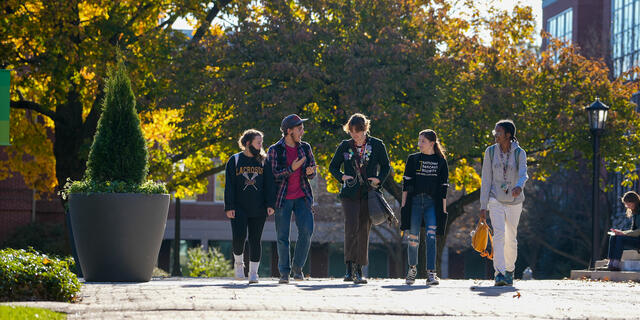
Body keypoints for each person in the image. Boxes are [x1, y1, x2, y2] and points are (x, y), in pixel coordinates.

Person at [329, 113, 391, 284]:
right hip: (349, 194)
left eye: (358, 131)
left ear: (365, 129)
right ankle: (349, 268)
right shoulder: (344, 145)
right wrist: (341, 177)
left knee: (363, 229)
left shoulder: (377, 145)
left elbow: (386, 166)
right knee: (351, 227)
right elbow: (333, 166)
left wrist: (379, 179)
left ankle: (359, 269)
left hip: (368, 194)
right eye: (351, 131)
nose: (354, 135)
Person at [267, 114, 317, 284]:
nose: (302, 131)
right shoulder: (274, 150)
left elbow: (312, 170)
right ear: (289, 131)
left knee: (307, 230)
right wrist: (291, 168)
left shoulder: (305, 147)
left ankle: (298, 268)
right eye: (299, 128)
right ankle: (284, 273)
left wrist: (310, 172)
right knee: (282, 236)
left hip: (303, 196)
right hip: (282, 198)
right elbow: (273, 175)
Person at [479, 119, 528, 286]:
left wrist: (519, 187)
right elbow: (486, 179)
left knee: (511, 238)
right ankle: (499, 274)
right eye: (495, 131)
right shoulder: (490, 152)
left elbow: (523, 174)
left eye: (498, 132)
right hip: (495, 198)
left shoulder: (519, 153)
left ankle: (509, 270)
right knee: (499, 235)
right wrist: (483, 206)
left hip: (514, 201)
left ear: (508, 134)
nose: (495, 134)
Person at [224, 129, 275, 284]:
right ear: (247, 143)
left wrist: (270, 204)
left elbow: (270, 184)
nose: (260, 145)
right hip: (238, 207)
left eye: (261, 142)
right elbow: (229, 185)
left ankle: (253, 273)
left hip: (259, 208)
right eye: (258, 142)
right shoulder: (235, 160)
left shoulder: (264, 161)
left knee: (255, 239)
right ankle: (239, 265)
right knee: (239, 237)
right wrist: (229, 206)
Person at [400, 129, 449, 285]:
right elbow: (406, 184)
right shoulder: (413, 159)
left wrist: (443, 209)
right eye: (419, 140)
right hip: (414, 203)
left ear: (432, 143)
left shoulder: (441, 161)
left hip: (432, 204)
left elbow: (443, 188)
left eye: (423, 141)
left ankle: (431, 273)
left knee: (431, 237)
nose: (419, 144)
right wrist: (403, 206)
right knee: (413, 237)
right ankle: (412, 270)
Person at [606, 191, 640, 271]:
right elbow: (633, 230)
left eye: (629, 204)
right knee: (614, 236)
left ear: (634, 201)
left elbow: (638, 232)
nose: (627, 206)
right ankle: (611, 262)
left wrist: (623, 233)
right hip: (636, 239)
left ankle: (616, 264)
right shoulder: (635, 212)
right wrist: (620, 233)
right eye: (626, 204)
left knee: (620, 238)